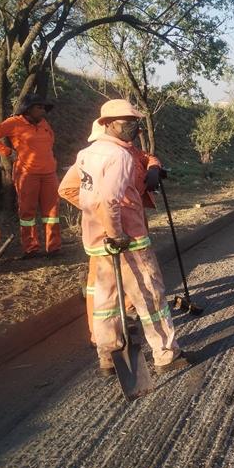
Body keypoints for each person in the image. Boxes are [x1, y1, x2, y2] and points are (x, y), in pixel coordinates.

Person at [70, 99, 187, 376]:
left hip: (97, 241)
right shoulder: (120, 156)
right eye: (126, 122)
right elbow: (109, 198)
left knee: (106, 301)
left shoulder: (86, 154)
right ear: (108, 124)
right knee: (150, 295)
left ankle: (108, 357)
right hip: (127, 238)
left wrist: (99, 221)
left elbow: (77, 191)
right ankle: (166, 354)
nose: (132, 127)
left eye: (135, 122)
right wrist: (116, 234)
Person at [59, 120, 163, 346]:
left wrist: (154, 168)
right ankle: (103, 337)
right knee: (106, 285)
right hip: (113, 232)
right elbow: (70, 190)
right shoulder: (105, 155)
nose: (133, 133)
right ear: (108, 128)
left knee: (123, 282)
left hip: (131, 224)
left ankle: (123, 321)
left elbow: (147, 157)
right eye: (127, 125)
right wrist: (100, 212)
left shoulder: (129, 151)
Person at [0, 94, 61, 258]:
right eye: (39, 107)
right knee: (27, 213)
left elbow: (50, 142)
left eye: (44, 108)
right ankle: (31, 248)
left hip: (49, 174)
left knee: (52, 213)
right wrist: (7, 152)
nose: (43, 111)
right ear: (28, 109)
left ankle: (53, 248)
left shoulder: (44, 123)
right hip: (27, 174)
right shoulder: (14, 123)